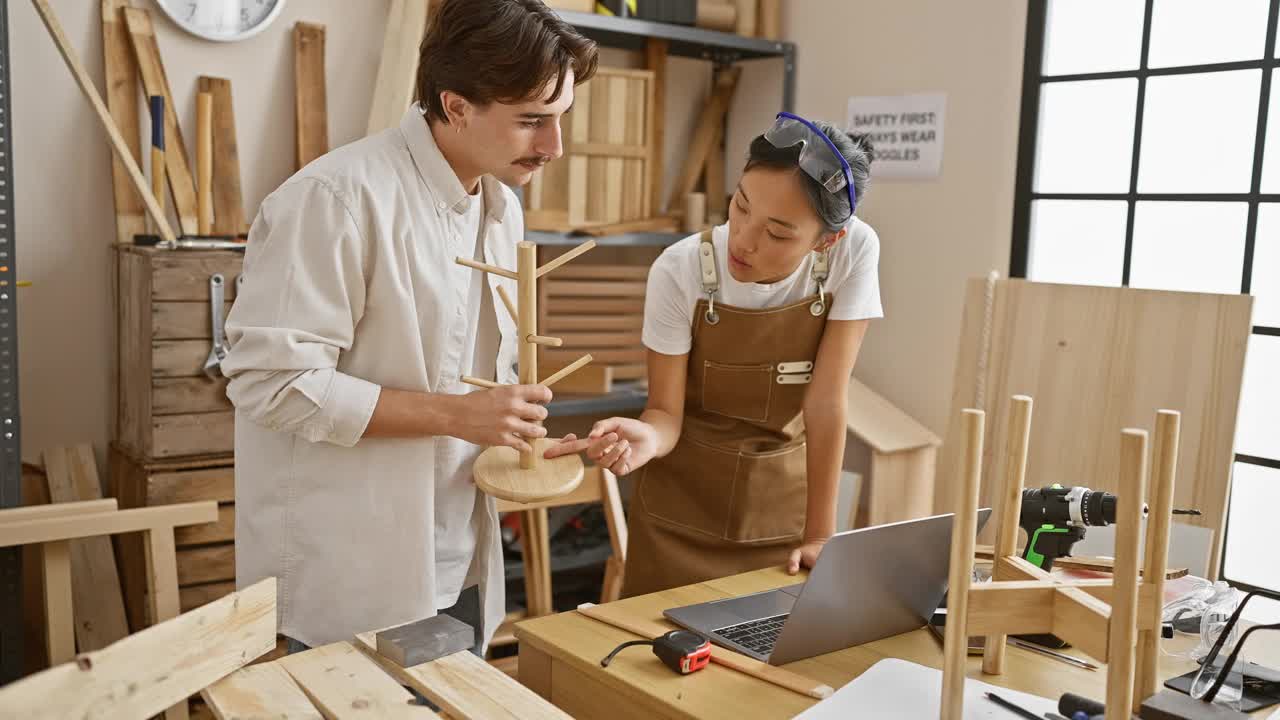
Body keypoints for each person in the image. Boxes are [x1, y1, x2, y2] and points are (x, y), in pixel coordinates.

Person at [221, 0, 597, 652]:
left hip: (458, 553)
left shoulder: (501, 207)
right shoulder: (335, 199)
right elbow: (272, 386)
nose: (553, 146)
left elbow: (471, 377)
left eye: (560, 117)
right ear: (455, 105)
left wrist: (515, 441)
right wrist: (458, 416)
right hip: (352, 572)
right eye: (532, 121)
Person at [548, 113, 881, 597]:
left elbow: (826, 402)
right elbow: (665, 414)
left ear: (828, 240)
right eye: (740, 206)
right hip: (676, 520)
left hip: (779, 526)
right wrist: (644, 435)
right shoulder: (680, 268)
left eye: (779, 233)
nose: (744, 239)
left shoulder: (853, 253)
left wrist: (820, 535)